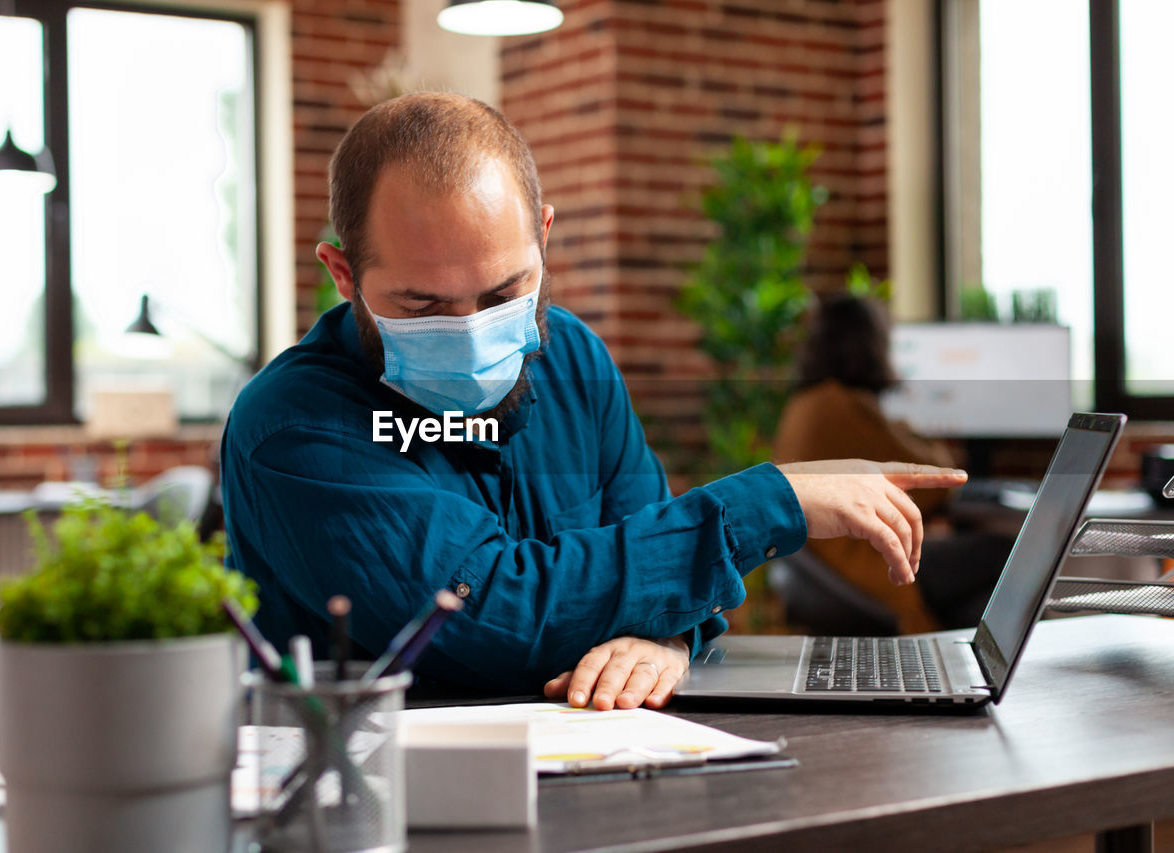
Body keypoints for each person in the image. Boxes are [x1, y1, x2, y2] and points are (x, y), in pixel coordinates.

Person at [220, 92, 966, 711]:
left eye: (506, 291)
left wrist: (663, 641)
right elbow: (494, 610)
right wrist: (770, 502)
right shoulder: (291, 428)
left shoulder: (571, 354)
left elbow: (656, 556)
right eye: (423, 305)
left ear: (543, 237)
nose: (475, 332)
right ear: (343, 275)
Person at [773, 295, 1008, 632]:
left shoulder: (808, 404)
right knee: (1006, 551)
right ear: (869, 345)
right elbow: (936, 478)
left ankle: (963, 657)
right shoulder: (840, 406)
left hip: (828, 576)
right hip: (869, 569)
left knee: (975, 592)